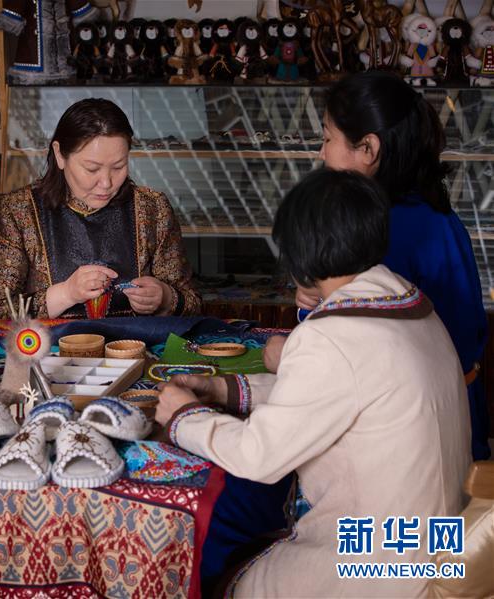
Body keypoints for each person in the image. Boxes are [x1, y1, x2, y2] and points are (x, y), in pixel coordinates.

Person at [157, 169, 471, 598]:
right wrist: (225, 390)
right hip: (439, 547)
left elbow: (258, 456)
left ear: (302, 255)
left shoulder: (331, 334)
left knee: (214, 569)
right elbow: (333, 394)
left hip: (375, 569)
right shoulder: (407, 303)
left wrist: (182, 417)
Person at [264, 70, 489, 460]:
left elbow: (351, 361)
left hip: (415, 435)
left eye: (328, 138)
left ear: (368, 149)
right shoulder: (428, 210)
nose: (322, 153)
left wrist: (294, 344)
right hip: (457, 412)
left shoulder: (380, 230)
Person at [0, 98, 201, 320]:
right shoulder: (17, 211)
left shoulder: (153, 208)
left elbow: (192, 302)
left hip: (131, 350)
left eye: (118, 166)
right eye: (92, 169)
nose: (106, 183)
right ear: (59, 155)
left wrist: (165, 298)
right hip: (50, 352)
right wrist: (66, 293)